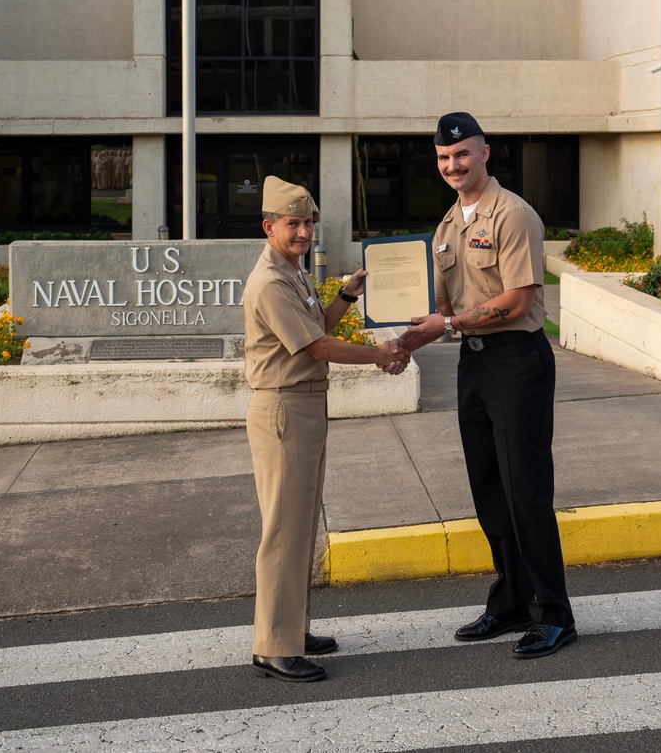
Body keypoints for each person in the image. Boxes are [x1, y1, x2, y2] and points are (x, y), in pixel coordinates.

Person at [398, 112, 575, 659]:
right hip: (473, 363)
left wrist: (449, 323)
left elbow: (518, 302)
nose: (452, 165)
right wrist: (404, 335)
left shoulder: (513, 214)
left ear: (484, 153)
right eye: (443, 158)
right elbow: (443, 306)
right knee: (489, 489)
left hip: (517, 361)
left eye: (462, 154)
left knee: (526, 490)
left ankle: (555, 614)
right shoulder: (448, 225)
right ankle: (512, 602)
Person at [244, 176, 408, 684]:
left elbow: (318, 328)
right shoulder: (270, 282)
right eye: (293, 224)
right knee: (284, 530)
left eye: (308, 223)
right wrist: (379, 355)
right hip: (285, 409)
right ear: (269, 227)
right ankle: (274, 645)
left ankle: (291, 629)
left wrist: (347, 296)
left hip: (305, 407)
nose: (303, 232)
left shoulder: (291, 272)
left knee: (300, 526)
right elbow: (316, 347)